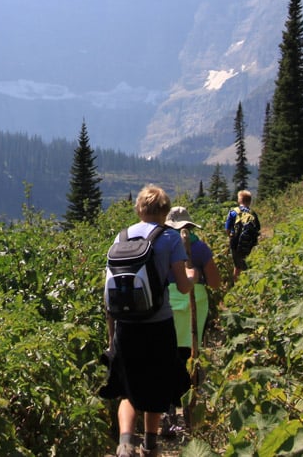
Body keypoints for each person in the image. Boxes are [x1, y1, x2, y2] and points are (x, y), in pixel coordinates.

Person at [99, 185, 194, 457]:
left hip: (125, 326)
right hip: (158, 324)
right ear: (164, 211)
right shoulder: (170, 238)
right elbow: (184, 286)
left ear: (139, 208)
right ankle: (149, 446)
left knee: (127, 389)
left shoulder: (121, 238)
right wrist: (192, 275)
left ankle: (125, 442)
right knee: (156, 385)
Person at [161, 205, 221, 438]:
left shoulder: (161, 246)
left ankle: (168, 411)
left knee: (168, 353)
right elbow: (215, 283)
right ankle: (189, 411)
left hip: (167, 303)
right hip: (196, 301)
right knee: (189, 353)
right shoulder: (200, 248)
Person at [224, 189, 258, 278]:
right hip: (249, 244)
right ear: (250, 201)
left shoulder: (233, 212)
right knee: (247, 264)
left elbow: (227, 229)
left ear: (239, 200)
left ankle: (236, 285)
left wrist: (231, 237)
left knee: (237, 266)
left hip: (235, 243)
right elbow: (257, 229)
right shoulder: (253, 213)